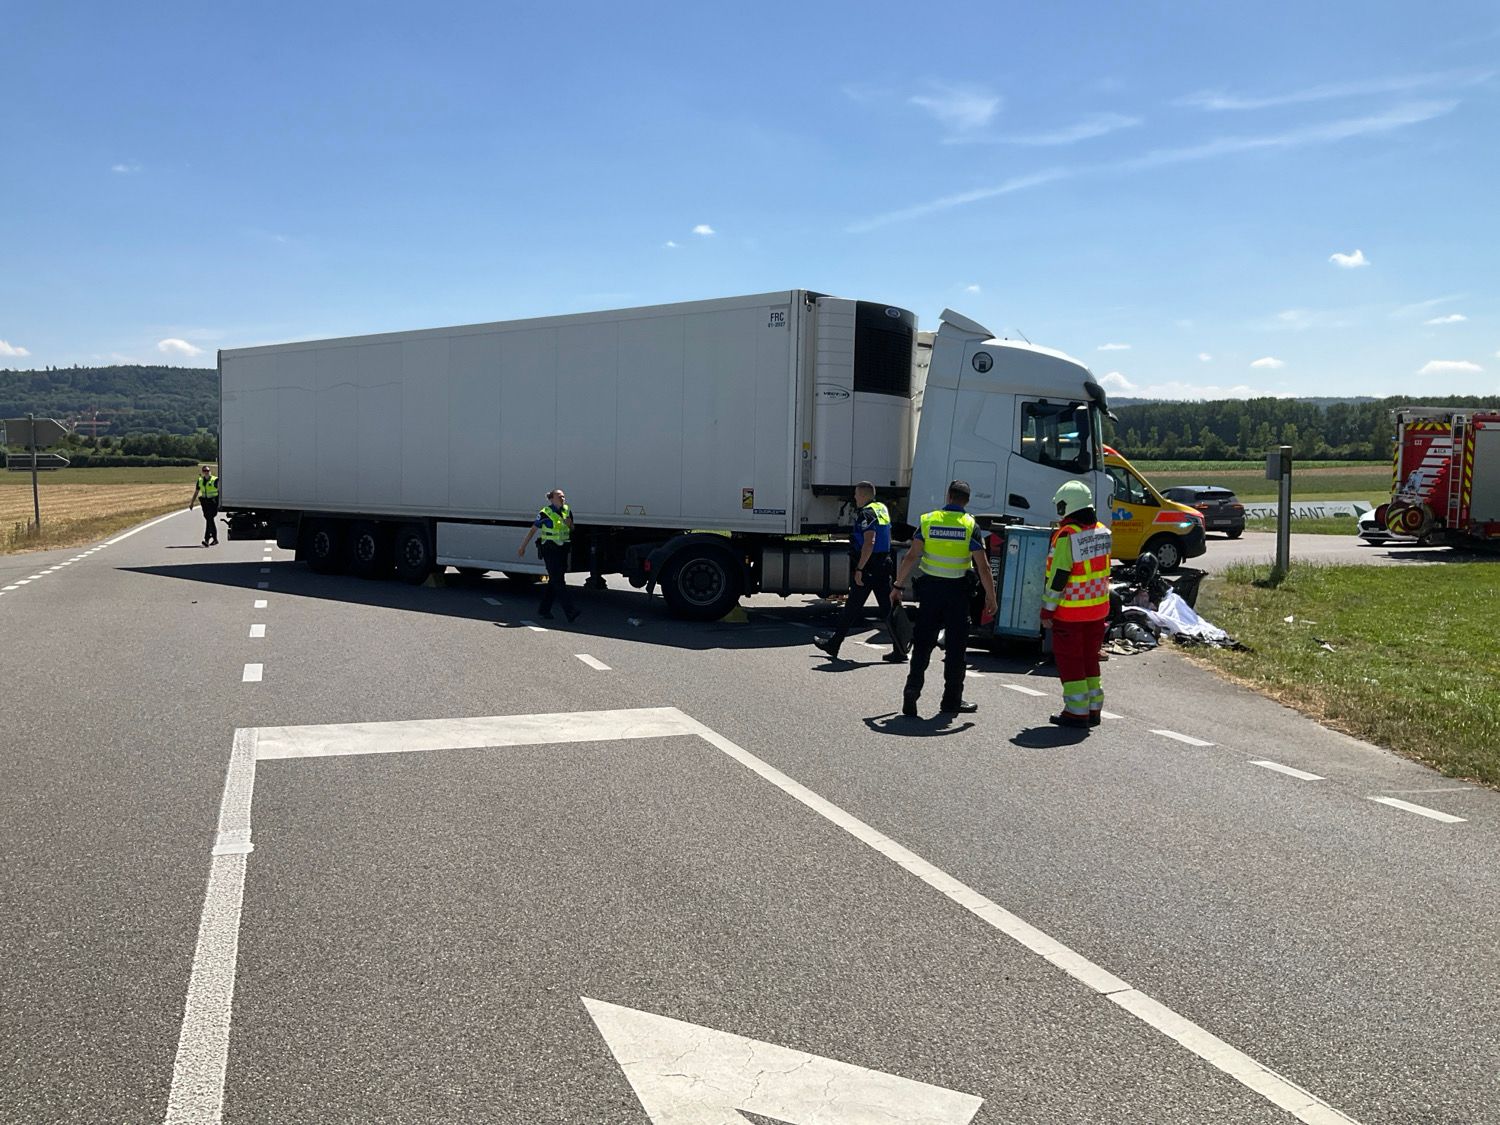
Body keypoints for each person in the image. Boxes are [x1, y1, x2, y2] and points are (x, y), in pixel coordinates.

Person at [892, 480, 997, 718]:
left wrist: (898, 585)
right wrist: (991, 597)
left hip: (930, 592)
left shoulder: (928, 520)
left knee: (922, 645)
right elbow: (984, 567)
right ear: (966, 501)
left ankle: (912, 690)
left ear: (948, 496)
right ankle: (951, 701)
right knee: (956, 650)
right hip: (958, 594)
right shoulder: (970, 525)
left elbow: (911, 556)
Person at [1040, 480, 1112, 728]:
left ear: (1067, 506)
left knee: (1071, 662)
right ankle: (1093, 709)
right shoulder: (1102, 530)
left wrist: (1047, 609)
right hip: (1098, 609)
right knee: (1089, 659)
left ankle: (1076, 712)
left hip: (1071, 612)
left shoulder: (1067, 535)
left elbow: (1059, 575)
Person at [813, 482, 909, 663]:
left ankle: (834, 644)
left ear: (864, 495)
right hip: (883, 563)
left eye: (856, 494)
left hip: (870, 566)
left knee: (852, 607)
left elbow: (869, 542)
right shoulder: (881, 508)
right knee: (886, 608)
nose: (855, 497)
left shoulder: (867, 513)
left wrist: (860, 568)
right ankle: (899, 650)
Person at [517, 488, 580, 622]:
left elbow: (572, 528)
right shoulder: (545, 513)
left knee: (554, 580)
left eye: (563, 496)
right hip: (549, 549)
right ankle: (571, 611)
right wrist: (522, 547)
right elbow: (533, 530)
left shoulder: (567, 511)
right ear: (551, 499)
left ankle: (544, 610)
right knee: (558, 580)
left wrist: (570, 525)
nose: (562, 499)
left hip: (563, 548)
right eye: (559, 497)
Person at [188, 465, 219, 546]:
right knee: (209, 520)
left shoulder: (215, 480)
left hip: (213, 502)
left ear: (210, 471)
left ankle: (207, 539)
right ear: (202, 472)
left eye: (207, 471)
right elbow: (196, 492)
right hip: (205, 503)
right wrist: (192, 503)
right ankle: (215, 539)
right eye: (204, 471)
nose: (206, 472)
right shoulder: (200, 480)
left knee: (209, 519)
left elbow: (221, 491)